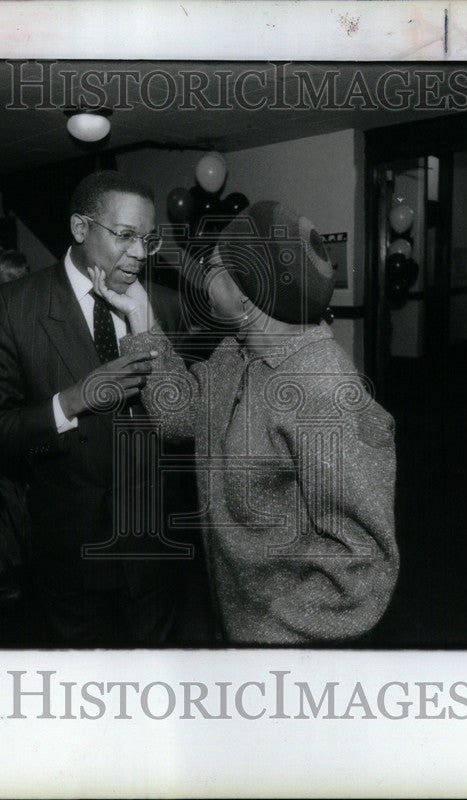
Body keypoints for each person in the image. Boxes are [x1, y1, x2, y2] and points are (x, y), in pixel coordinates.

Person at [99, 200, 399, 644]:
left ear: (246, 291)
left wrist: (269, 635)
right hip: (234, 619)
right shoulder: (233, 353)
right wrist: (140, 315)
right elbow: (180, 418)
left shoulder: (325, 391)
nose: (204, 277)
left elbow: (365, 566)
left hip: (283, 647)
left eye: (214, 266)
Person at [0, 170, 183, 645]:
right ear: (80, 229)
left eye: (149, 239)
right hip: (72, 554)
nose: (141, 254)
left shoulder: (164, 305)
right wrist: (70, 401)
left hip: (157, 550)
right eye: (126, 236)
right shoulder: (13, 307)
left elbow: (185, 421)